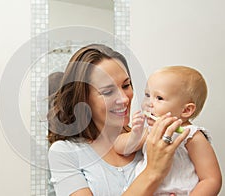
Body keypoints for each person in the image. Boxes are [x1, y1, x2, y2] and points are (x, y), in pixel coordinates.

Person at [47, 44, 190, 196]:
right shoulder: (65, 152)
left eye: (126, 85)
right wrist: (152, 172)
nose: (124, 99)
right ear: (83, 99)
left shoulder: (151, 139)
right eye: (108, 92)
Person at [114, 65, 222, 195]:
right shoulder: (150, 130)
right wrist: (135, 134)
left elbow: (211, 179)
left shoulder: (191, 136)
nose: (149, 103)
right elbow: (120, 147)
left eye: (159, 98)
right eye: (147, 95)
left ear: (186, 110)